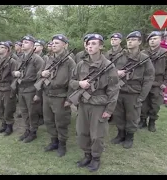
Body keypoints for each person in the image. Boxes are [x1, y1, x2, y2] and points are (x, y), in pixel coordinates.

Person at [70, 34, 120, 172]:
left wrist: (109, 110)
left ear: (101, 46)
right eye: (88, 44)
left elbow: (114, 90)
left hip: (99, 104)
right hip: (83, 104)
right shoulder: (81, 64)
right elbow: (71, 81)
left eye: (93, 44)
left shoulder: (108, 66)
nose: (89, 46)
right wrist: (79, 83)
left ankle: (96, 158)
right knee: (81, 132)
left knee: (97, 135)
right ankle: (87, 155)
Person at [111, 31, 154, 149]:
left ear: (139, 42)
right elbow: (108, 70)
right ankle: (120, 134)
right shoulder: (120, 56)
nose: (130, 41)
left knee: (132, 116)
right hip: (119, 90)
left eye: (133, 40)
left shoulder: (144, 59)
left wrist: (142, 96)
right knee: (118, 114)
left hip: (134, 92)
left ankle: (129, 137)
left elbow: (149, 78)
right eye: (128, 40)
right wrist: (116, 73)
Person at [38, 34, 75, 157]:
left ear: (65, 45)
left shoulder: (70, 62)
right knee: (48, 120)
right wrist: (42, 73)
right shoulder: (48, 59)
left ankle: (62, 144)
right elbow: (40, 74)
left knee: (61, 122)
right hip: (47, 94)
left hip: (61, 96)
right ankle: (54, 141)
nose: (54, 45)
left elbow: (73, 81)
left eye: (57, 43)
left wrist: (69, 99)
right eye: (53, 43)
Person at [140, 31, 167, 132]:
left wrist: (165, 82)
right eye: (150, 39)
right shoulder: (143, 53)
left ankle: (152, 122)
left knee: (155, 104)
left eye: (155, 39)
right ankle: (143, 120)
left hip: (158, 83)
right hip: (145, 82)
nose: (152, 41)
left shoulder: (166, 53)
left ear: (160, 40)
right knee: (143, 103)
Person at [12, 35, 44, 143]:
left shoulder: (37, 59)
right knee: (24, 111)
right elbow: (15, 71)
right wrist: (15, 73)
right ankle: (27, 129)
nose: (23, 44)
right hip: (21, 88)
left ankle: (33, 131)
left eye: (26, 42)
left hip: (31, 88)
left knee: (32, 112)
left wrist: (38, 94)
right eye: (22, 42)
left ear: (32, 45)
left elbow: (41, 78)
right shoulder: (21, 58)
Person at [0, 41, 18, 136]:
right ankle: (3, 125)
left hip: (8, 87)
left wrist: (13, 89)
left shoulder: (12, 61)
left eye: (2, 47)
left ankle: (9, 126)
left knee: (8, 107)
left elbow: (14, 76)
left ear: (7, 49)